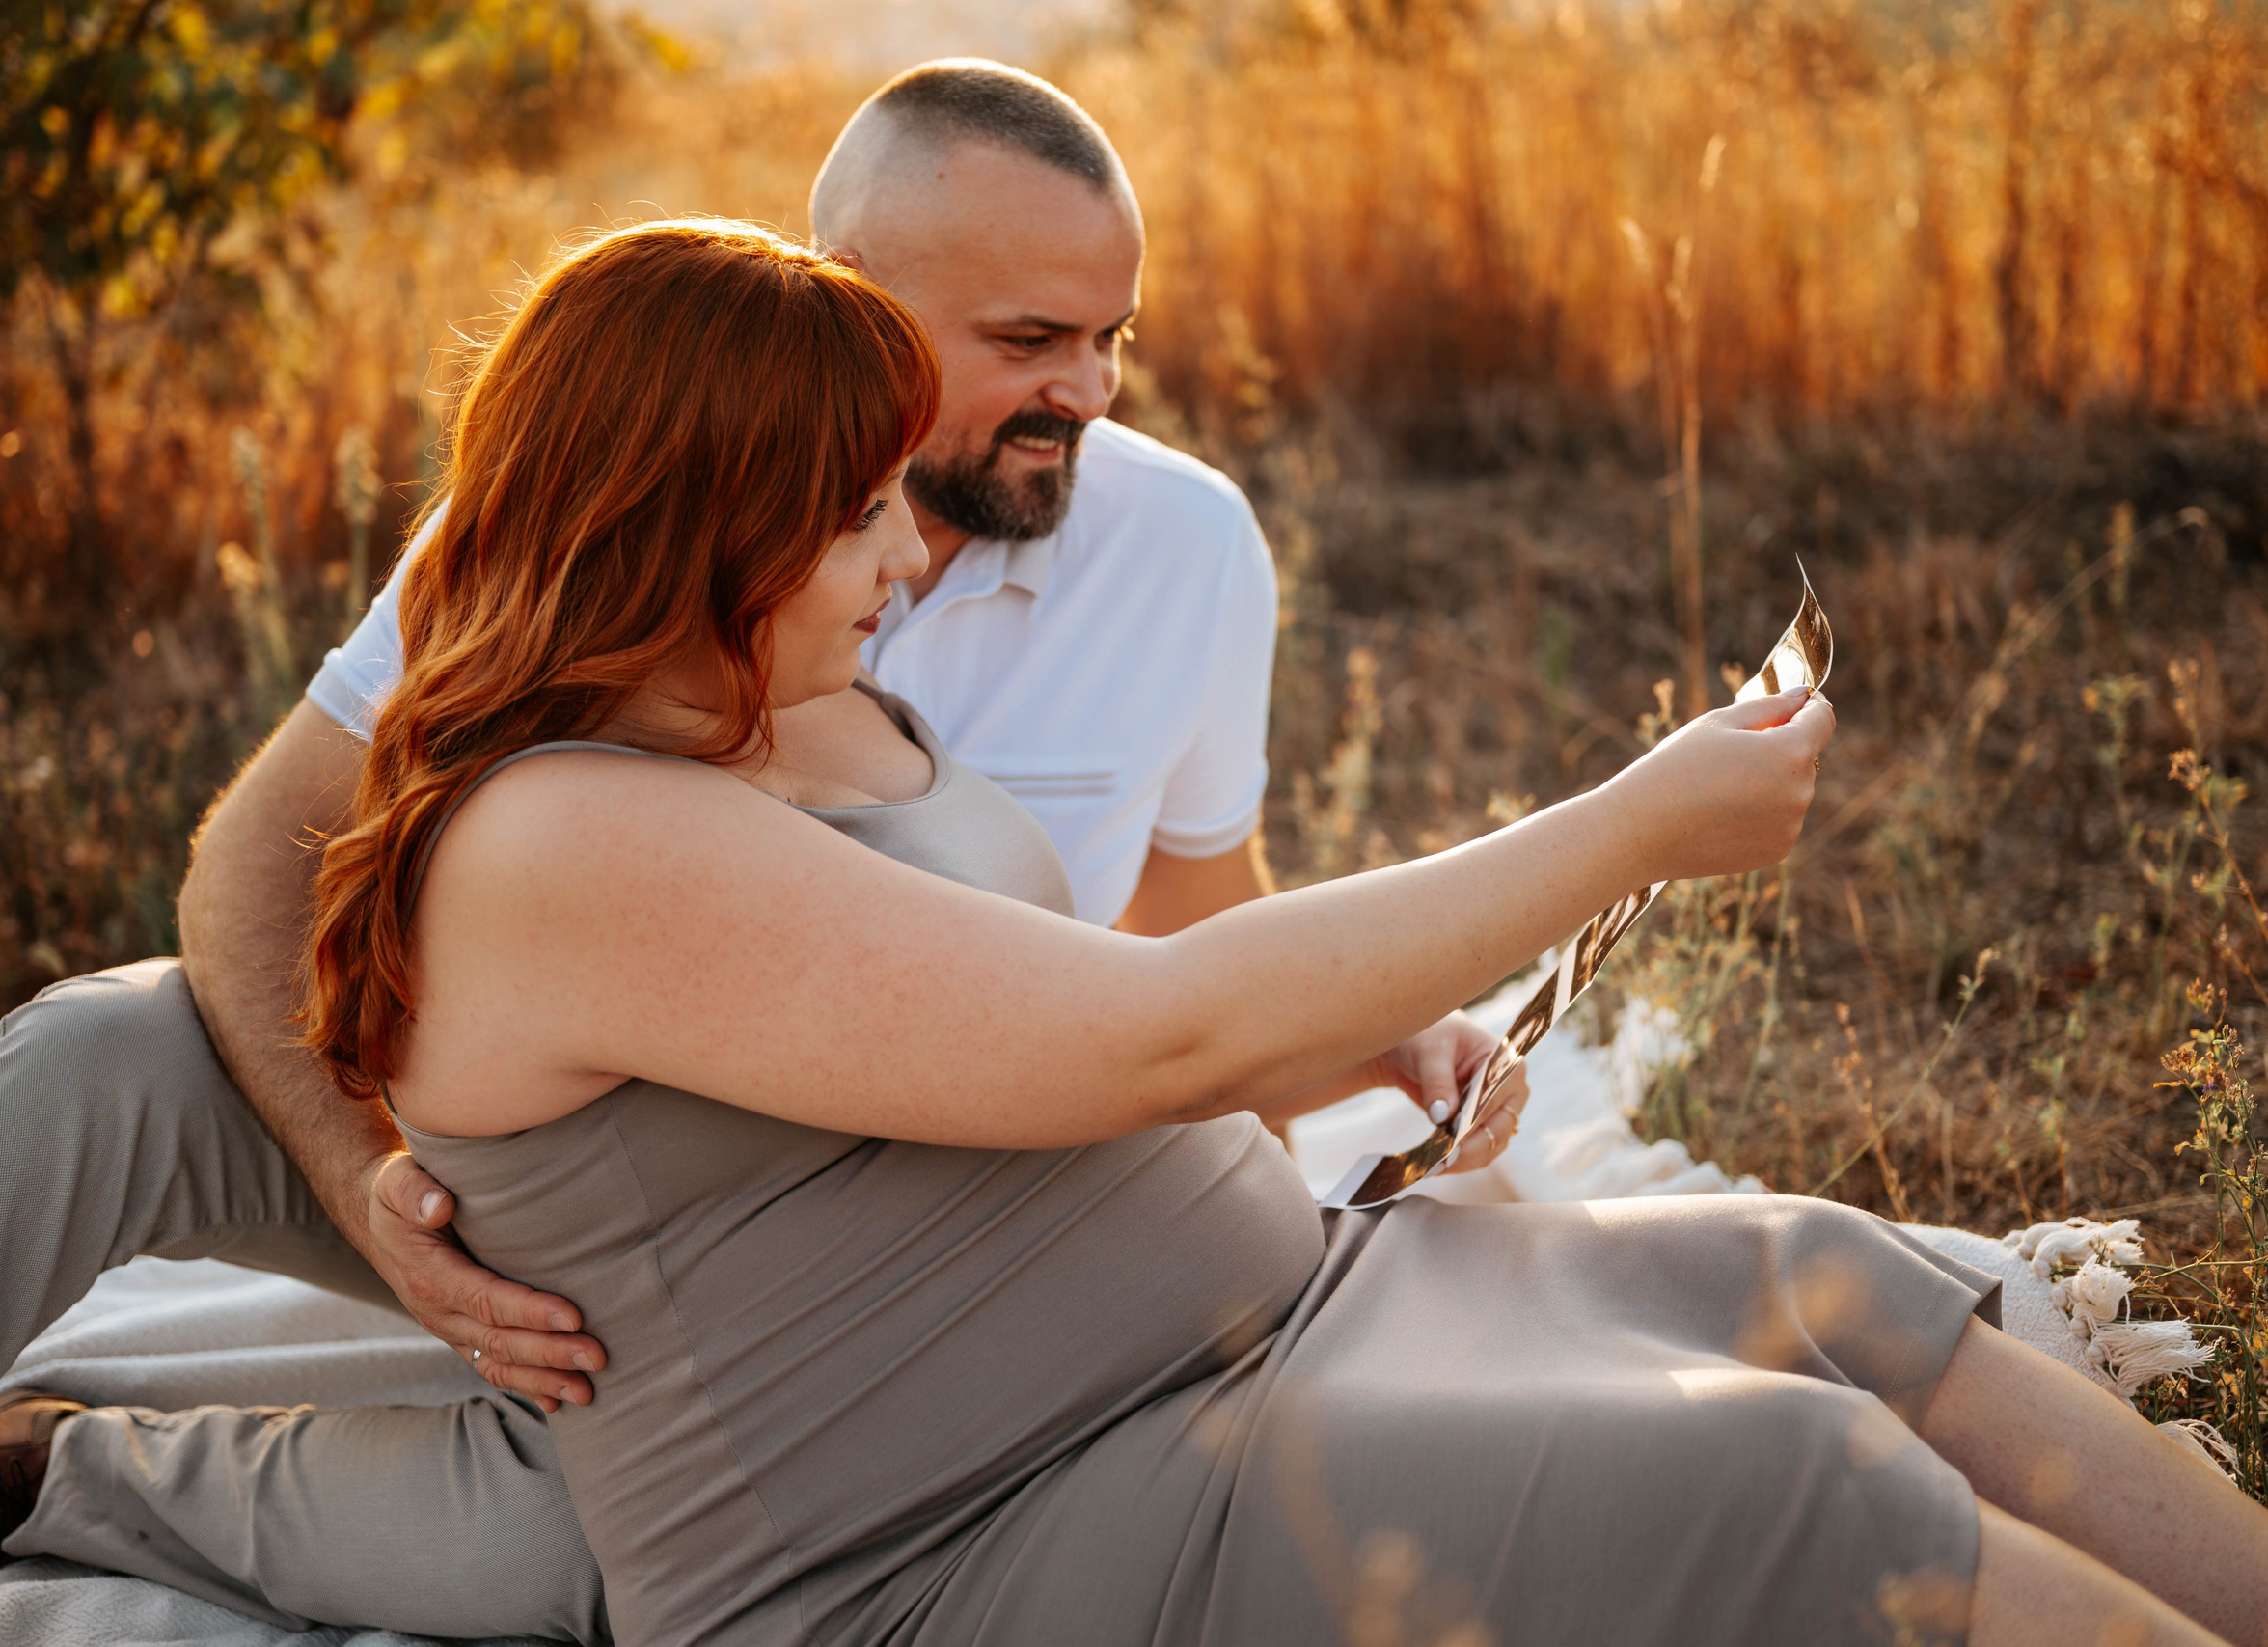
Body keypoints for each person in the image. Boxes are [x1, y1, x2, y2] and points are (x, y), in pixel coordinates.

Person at [243, 219, 2268, 1645]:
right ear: (687, 514)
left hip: (1256, 1324)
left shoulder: (788, 722)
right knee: (1796, 1487)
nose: (904, 546)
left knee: (1828, 1280)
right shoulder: (560, 842)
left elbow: (1016, 1032)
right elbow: (1152, 1034)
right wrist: (1631, 821)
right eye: (855, 505)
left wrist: (1361, 1043)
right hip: (967, 1539)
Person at [0, 61, 1498, 1625]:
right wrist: (363, 1182)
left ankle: (55, 1474)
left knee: (630, 1561)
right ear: (851, 298)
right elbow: (263, 854)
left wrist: (1369, 1036)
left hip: (869, 1244)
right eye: (1032, 338)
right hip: (547, 1137)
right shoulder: (610, 495)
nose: (1092, 393)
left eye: (1118, 335)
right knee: (109, 1046)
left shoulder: (1187, 552)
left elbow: (1190, 930)